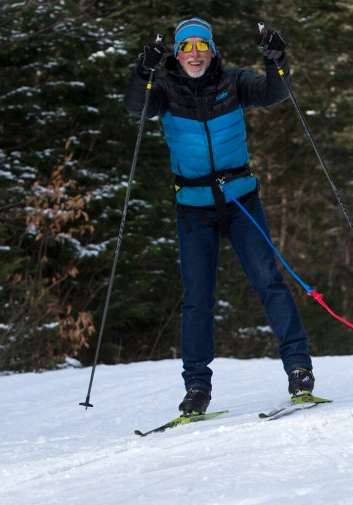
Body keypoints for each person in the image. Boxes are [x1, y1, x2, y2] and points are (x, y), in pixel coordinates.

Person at [124, 17, 315, 415]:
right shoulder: (164, 91)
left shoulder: (234, 82)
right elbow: (135, 108)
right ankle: (197, 387)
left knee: (269, 281)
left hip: (241, 199)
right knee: (197, 299)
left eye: (201, 46)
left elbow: (274, 92)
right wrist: (142, 72)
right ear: (176, 54)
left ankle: (299, 369)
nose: (194, 54)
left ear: (212, 50)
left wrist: (276, 60)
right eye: (186, 47)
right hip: (194, 208)